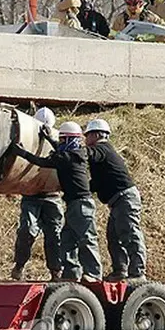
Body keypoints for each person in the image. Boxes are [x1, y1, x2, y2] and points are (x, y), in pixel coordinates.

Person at [10, 122, 102, 283]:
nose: (59, 143)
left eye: (62, 140)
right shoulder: (76, 153)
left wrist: (21, 152)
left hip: (80, 204)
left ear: (67, 140)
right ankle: (71, 273)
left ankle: (93, 273)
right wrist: (49, 138)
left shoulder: (66, 157)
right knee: (67, 239)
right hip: (75, 204)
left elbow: (42, 162)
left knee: (86, 238)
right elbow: (60, 151)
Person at [84, 119, 147, 283]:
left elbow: (89, 154)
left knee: (129, 233)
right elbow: (96, 183)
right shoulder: (103, 156)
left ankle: (138, 273)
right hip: (119, 200)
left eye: (88, 135)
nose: (86, 139)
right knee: (114, 236)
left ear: (97, 135)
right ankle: (120, 271)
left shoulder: (102, 149)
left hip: (125, 198)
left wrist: (74, 151)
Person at [11, 107, 64, 282]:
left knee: (54, 235)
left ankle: (56, 271)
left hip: (52, 195)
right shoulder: (27, 136)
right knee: (27, 230)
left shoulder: (59, 139)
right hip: (31, 195)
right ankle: (19, 265)